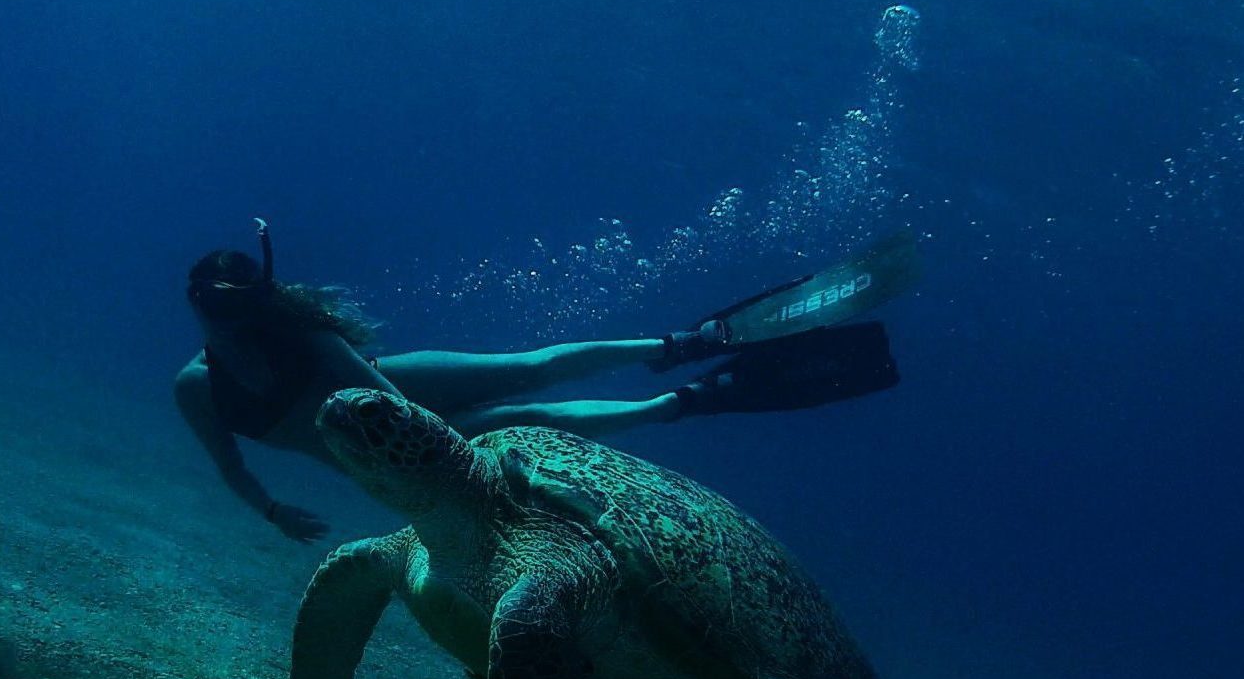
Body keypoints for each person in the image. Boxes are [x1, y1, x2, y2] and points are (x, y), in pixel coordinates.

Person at [175, 221, 900, 542]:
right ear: (195, 305)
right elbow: (227, 463)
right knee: (528, 414)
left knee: (523, 367)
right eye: (216, 308)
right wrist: (272, 513)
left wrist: (431, 453)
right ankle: (672, 404)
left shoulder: (299, 333)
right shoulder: (198, 389)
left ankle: (681, 346)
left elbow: (376, 395)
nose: (231, 322)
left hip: (388, 413)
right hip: (365, 443)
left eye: (242, 307)